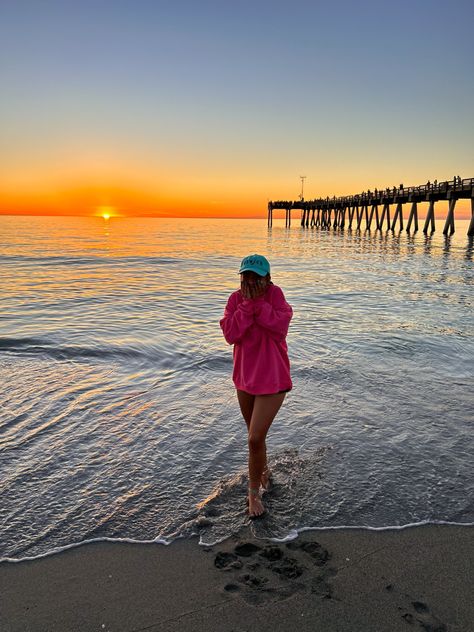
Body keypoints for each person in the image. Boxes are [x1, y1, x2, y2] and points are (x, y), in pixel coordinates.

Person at [220, 254, 293, 518]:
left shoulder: (275, 296)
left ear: (267, 278)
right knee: (256, 438)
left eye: (256, 277)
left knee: (253, 438)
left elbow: (280, 327)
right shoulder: (234, 300)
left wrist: (258, 305)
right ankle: (264, 472)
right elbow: (230, 334)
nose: (250, 281)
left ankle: (252, 496)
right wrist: (246, 306)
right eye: (246, 276)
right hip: (244, 379)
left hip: (273, 379)